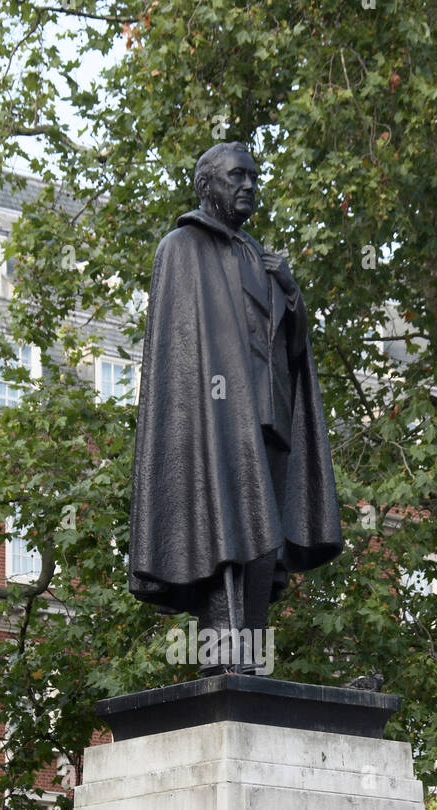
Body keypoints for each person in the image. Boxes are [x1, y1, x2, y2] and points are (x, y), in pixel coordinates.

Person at [129, 141, 342, 673]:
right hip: (215, 422)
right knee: (222, 534)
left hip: (270, 417)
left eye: (253, 176)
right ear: (207, 186)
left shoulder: (260, 256)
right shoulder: (181, 248)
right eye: (236, 176)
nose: (248, 185)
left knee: (262, 541)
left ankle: (250, 661)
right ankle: (222, 657)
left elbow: (291, 351)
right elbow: (179, 357)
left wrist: (292, 296)